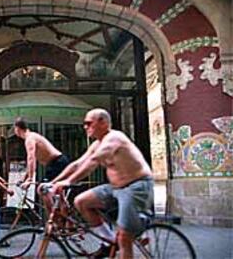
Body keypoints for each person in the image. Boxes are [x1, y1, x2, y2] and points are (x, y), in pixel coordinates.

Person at [49, 108, 154, 259]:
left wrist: (69, 182)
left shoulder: (114, 138)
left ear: (103, 123)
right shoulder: (97, 143)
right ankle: (110, 241)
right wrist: (54, 183)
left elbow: (93, 162)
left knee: (125, 238)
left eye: (88, 123)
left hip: (136, 186)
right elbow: (77, 164)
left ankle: (135, 225)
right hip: (116, 188)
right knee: (81, 201)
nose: (85, 126)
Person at [12, 117, 69, 189]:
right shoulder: (31, 136)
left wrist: (30, 179)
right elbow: (30, 164)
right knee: (56, 192)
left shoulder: (29, 138)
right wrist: (24, 179)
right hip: (56, 163)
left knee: (42, 189)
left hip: (57, 163)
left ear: (17, 128)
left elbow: (31, 158)